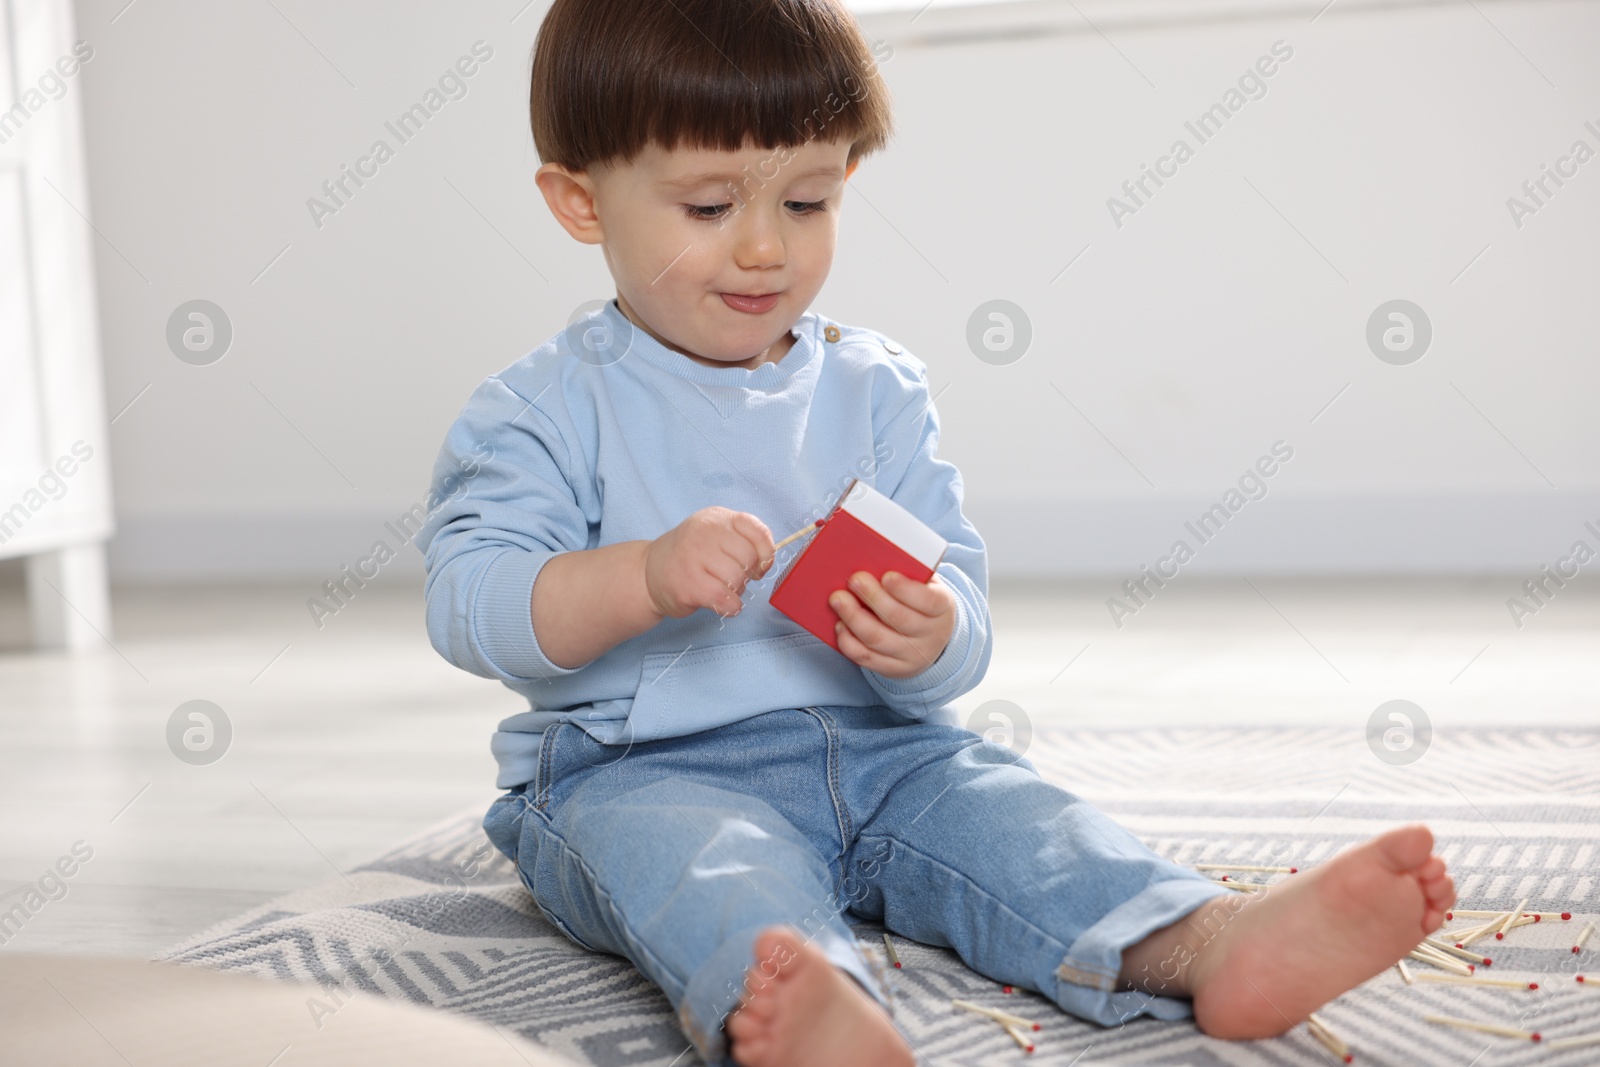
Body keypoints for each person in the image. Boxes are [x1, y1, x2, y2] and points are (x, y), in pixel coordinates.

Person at [417, 2, 1456, 1063]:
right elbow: (471, 600)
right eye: (711, 203)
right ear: (580, 201)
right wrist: (637, 575)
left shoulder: (876, 388)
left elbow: (955, 600)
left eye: (809, 198)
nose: (766, 244)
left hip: (886, 752)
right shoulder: (542, 409)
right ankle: (809, 1000)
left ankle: (1202, 938)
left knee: (1019, 823)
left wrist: (931, 633)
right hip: (636, 769)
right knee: (706, 870)